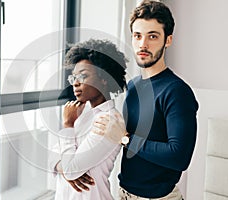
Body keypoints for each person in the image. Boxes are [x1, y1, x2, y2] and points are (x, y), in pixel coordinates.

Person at [93, 1, 199, 199]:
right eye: (137, 36)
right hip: (124, 193)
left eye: (152, 36)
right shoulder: (132, 87)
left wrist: (125, 138)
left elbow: (179, 157)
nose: (143, 44)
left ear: (168, 40)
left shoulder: (177, 92)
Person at [50, 38, 127, 199]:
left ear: (104, 78)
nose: (75, 84)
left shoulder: (110, 121)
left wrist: (67, 125)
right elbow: (52, 157)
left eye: (83, 76)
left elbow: (71, 169)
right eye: (73, 78)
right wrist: (62, 167)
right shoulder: (80, 113)